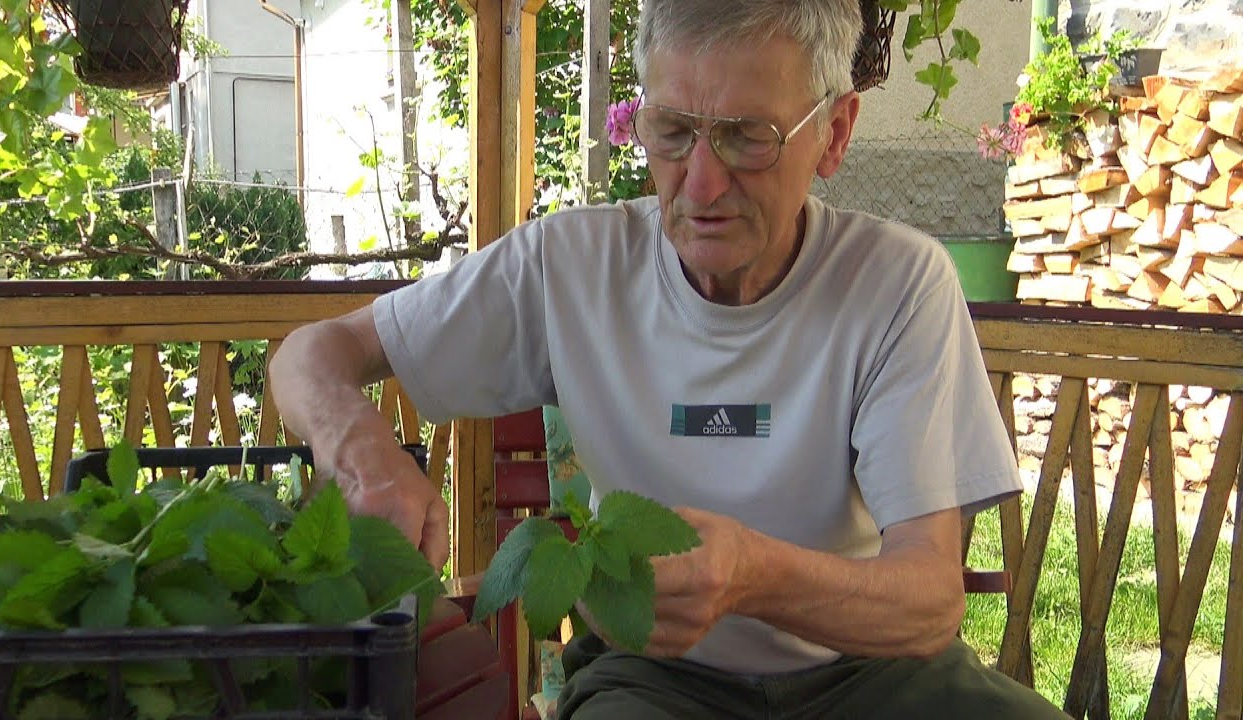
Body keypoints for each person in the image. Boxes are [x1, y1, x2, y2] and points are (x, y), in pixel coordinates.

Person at [270, 0, 1070, 717]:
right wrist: (364, 452)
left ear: (834, 133)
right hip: (652, 681)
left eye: (746, 138)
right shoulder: (572, 264)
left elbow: (928, 602)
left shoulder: (896, 282)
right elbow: (310, 356)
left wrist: (749, 575)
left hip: (874, 677)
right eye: (673, 132)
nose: (702, 181)